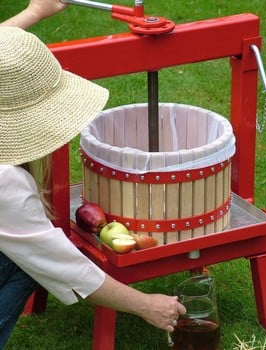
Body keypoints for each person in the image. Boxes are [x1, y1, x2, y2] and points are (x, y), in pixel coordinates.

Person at [0, 4, 185, 349]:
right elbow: (63, 266)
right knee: (26, 259)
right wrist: (148, 305)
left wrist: (35, 12)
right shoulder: (5, 183)